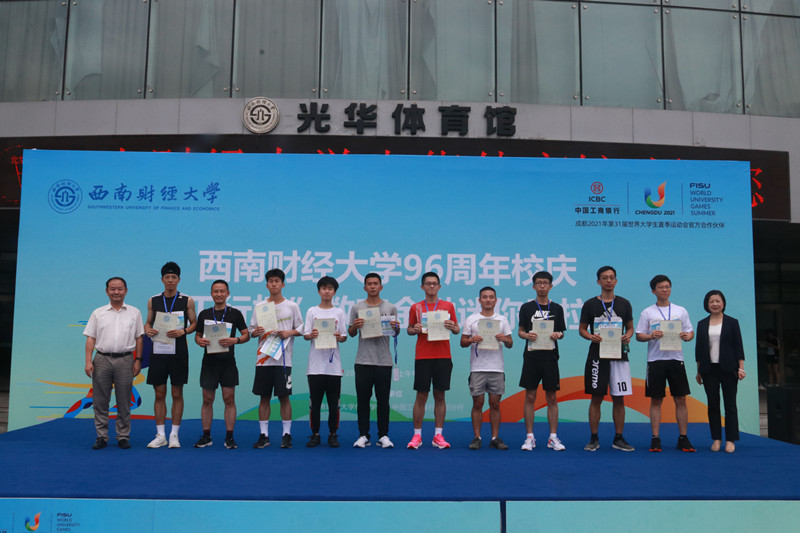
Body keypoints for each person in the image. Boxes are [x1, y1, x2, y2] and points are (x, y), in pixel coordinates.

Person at [635, 274, 695, 453]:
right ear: (653, 291)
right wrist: (650, 335)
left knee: (681, 399)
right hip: (655, 361)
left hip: (676, 359)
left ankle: (683, 437)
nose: (665, 290)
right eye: (661, 287)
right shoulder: (647, 312)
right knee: (656, 400)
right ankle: (655, 438)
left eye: (667, 286)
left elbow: (690, 332)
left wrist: (687, 336)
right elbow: (639, 335)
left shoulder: (680, 310)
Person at [83, 277, 144, 449]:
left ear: (126, 291)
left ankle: (123, 436)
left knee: (124, 400)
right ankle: (101, 436)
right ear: (107, 291)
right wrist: (88, 361)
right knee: (100, 400)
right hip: (102, 359)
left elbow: (139, 338)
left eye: (120, 289)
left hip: (126, 359)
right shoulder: (98, 313)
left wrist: (138, 360)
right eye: (112, 289)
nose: (116, 292)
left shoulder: (135, 313)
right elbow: (91, 338)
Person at [579, 266, 635, 452]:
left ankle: (618, 438)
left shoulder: (624, 303)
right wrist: (591, 336)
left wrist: (628, 335)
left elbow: (630, 328)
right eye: (605, 278)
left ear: (616, 281)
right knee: (596, 398)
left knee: (619, 398)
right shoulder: (590, 304)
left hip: (619, 356)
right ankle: (594, 438)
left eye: (611, 277)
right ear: (598, 281)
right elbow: (582, 329)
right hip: (597, 356)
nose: (608, 281)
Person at [143, 262, 197, 449]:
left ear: (179, 279)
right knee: (159, 393)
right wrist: (148, 330)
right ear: (162, 279)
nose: (170, 280)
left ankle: (174, 434)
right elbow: (147, 323)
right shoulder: (153, 300)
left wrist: (184, 331)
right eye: (167, 277)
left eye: (174, 277)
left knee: (176, 393)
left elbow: (194, 323)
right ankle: (160, 435)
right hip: (159, 350)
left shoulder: (187, 300)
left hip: (178, 352)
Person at [249, 268, 303, 449]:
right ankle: (263, 435)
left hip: (283, 360)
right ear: (267, 285)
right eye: (270, 281)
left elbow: (302, 328)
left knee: (284, 397)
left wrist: (290, 332)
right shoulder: (260, 307)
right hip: (263, 359)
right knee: (264, 397)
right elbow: (251, 330)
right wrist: (255, 332)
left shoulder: (292, 306)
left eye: (277, 281)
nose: (274, 284)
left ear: (283, 284)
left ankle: (286, 435)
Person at [193, 280, 250, 449]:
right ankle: (206, 436)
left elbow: (246, 335)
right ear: (211, 294)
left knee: (229, 399)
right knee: (207, 399)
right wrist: (199, 341)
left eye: (222, 291)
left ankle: (229, 437)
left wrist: (235, 340)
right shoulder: (204, 314)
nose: (219, 294)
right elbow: (197, 336)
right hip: (209, 363)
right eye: (215, 291)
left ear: (227, 294)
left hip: (228, 363)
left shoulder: (235, 314)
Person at [406, 271, 460, 449]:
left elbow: (457, 330)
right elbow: (409, 329)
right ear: (422, 286)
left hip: (443, 356)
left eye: (434, 283)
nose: (431, 286)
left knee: (440, 395)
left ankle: (438, 435)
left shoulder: (448, 306)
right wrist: (415, 329)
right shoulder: (416, 307)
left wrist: (452, 326)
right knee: (421, 395)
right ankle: (417, 436)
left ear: (439, 286)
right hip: (423, 356)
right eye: (428, 283)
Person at [348, 272, 399, 449]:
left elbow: (395, 332)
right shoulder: (357, 307)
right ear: (364, 287)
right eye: (369, 284)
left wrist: (396, 327)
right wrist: (356, 326)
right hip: (363, 360)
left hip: (383, 361)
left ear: (381, 286)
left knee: (383, 401)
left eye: (375, 283)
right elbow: (351, 333)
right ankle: (363, 435)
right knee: (363, 400)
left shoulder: (390, 307)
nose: (372, 286)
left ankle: (383, 435)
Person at [517, 271, 567, 451]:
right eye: (539, 283)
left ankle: (553, 437)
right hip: (531, 357)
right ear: (534, 286)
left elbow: (561, 333)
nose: (542, 286)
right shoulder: (526, 307)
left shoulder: (557, 308)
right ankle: (529, 437)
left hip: (550, 358)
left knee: (552, 397)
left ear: (551, 286)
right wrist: (527, 335)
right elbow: (520, 331)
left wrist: (558, 335)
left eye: (546, 283)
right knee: (530, 397)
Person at [460, 287, 513, 450]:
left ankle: (495, 437)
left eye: (491, 297)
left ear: (496, 300)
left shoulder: (502, 320)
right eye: (485, 297)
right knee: (478, 403)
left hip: (497, 368)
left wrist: (505, 339)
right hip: (478, 368)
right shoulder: (472, 319)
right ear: (479, 300)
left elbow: (510, 343)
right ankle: (477, 437)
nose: (488, 300)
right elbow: (462, 342)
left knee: (495, 404)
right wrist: (471, 340)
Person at [695, 290, 746, 453]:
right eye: (711, 301)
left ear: (723, 303)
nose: (715, 304)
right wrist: (699, 371)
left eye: (718, 301)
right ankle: (716, 439)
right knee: (713, 404)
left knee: (730, 405)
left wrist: (741, 368)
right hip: (709, 370)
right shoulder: (702, 324)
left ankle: (730, 439)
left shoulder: (732, 322)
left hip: (729, 369)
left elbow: (738, 346)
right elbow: (699, 349)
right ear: (707, 304)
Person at [302, 276, 348, 448]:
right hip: (315, 367)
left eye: (330, 289)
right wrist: (312, 335)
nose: (327, 291)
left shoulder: (339, 312)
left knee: (334, 404)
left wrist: (339, 337)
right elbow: (306, 334)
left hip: (333, 366)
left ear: (334, 292)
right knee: (315, 404)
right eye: (324, 288)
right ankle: (315, 434)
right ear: (319, 291)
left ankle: (333, 434)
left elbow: (344, 336)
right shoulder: (312, 311)